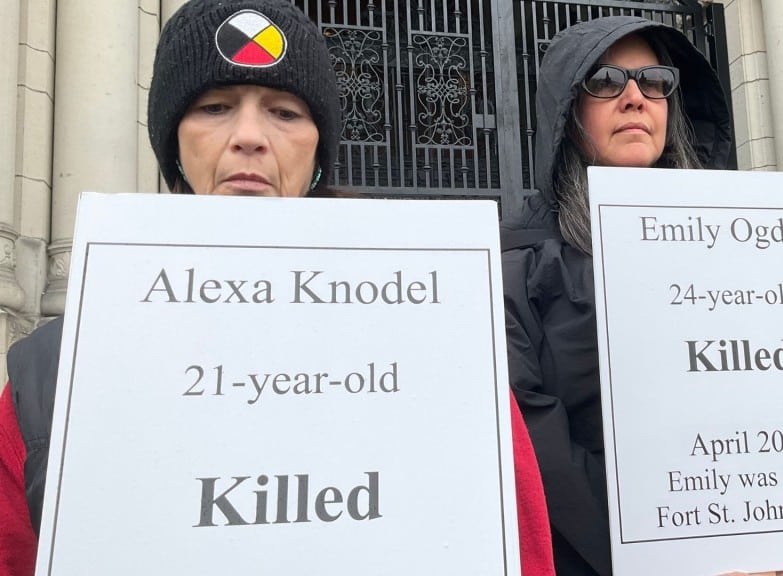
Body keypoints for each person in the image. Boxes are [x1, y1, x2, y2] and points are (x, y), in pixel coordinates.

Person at [0, 2, 553, 575]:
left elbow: (522, 549)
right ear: (174, 149)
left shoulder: (440, 339)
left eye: (285, 112)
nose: (248, 137)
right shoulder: (50, 374)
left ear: (318, 152)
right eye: (214, 107)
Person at [502, 16, 783, 576]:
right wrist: (676, 556)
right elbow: (536, 443)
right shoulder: (518, 263)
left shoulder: (753, 247)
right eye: (604, 81)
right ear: (568, 111)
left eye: (654, 81)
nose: (633, 98)